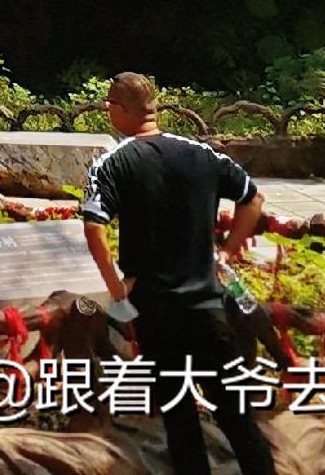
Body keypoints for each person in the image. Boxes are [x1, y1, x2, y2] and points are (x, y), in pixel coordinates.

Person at [83, 71, 275, 475]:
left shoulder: (112, 162)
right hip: (207, 304)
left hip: (156, 311)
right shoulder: (201, 153)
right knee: (236, 415)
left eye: (108, 106)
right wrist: (227, 251)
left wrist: (116, 288)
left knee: (180, 416)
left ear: (120, 110)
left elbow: (94, 227)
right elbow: (253, 198)